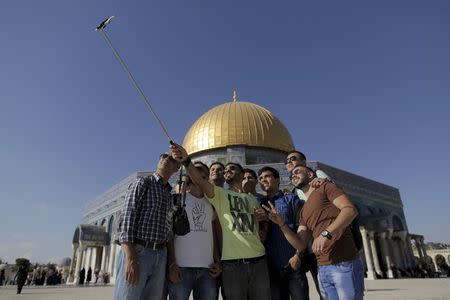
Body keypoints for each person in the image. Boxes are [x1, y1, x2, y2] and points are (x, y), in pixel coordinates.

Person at [171, 143, 270, 300]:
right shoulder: (220, 195)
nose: (226, 172)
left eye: (231, 169)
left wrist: (265, 222)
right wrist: (186, 161)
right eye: (225, 170)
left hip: (259, 260)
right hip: (232, 263)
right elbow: (201, 182)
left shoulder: (254, 200)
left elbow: (263, 226)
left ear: (242, 173)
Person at [264, 165, 364, 300]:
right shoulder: (304, 211)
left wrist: (326, 233)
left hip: (344, 263)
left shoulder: (325, 188)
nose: (293, 175)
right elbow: (300, 245)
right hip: (323, 268)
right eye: (291, 175)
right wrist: (281, 224)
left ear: (311, 175)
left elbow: (350, 210)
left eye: (297, 171)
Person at [114, 152, 181, 300]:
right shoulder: (143, 183)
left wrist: (171, 262)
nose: (166, 159)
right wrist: (131, 258)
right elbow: (127, 219)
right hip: (139, 252)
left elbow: (168, 231)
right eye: (164, 156)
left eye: (171, 159)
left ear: (177, 168)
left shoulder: (169, 194)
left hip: (160, 254)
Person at [167, 163, 221, 300]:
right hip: (181, 268)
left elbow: (212, 235)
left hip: (207, 270)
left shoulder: (211, 204)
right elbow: (169, 234)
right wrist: (172, 263)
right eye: (193, 171)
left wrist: (217, 260)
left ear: (206, 177)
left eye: (200, 172)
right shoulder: (177, 200)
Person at [257, 166, 309, 300]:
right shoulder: (259, 204)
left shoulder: (291, 200)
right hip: (272, 268)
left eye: (267, 176)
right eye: (261, 178)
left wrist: (298, 255)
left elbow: (303, 228)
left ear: (277, 179)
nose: (263, 180)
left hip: (293, 264)